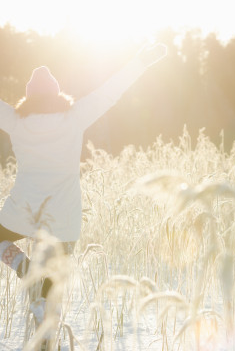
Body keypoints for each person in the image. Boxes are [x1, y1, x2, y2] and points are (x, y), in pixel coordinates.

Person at [0, 43, 167, 346]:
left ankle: (24, 268)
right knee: (49, 296)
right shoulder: (74, 117)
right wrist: (142, 60)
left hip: (22, 211)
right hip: (64, 218)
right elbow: (110, 90)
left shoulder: (15, 121)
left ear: (29, 95)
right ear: (56, 93)